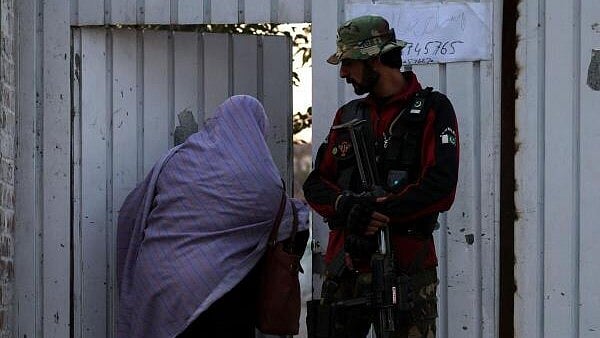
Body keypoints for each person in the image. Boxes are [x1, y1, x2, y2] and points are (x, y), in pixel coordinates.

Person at [303, 15, 459, 338]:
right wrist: (347, 206)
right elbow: (316, 184)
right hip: (347, 267)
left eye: (349, 62)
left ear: (374, 59)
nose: (343, 72)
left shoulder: (432, 109)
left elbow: (441, 187)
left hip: (407, 269)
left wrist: (380, 212)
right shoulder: (348, 117)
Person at [116, 95, 309, 338]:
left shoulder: (177, 160)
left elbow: (133, 209)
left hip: (159, 280)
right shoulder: (262, 181)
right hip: (220, 298)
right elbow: (293, 222)